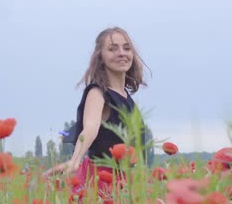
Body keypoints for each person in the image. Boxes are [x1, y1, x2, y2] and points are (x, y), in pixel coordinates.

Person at [42, 27, 152, 190]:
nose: (122, 53)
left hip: (124, 183)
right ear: (100, 57)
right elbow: (90, 128)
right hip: (100, 182)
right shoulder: (97, 93)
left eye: (127, 48)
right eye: (112, 49)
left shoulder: (125, 97)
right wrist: (75, 160)